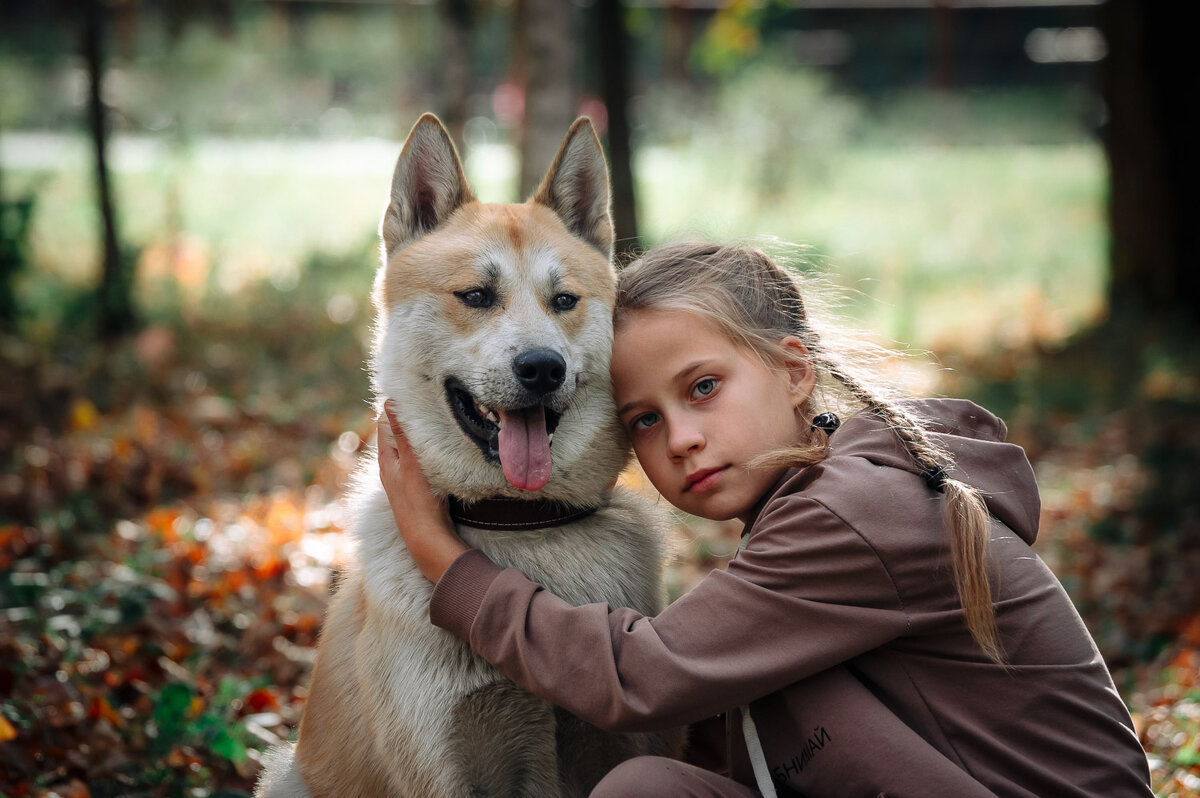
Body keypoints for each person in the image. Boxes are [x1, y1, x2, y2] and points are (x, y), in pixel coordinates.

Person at [377, 241, 1154, 797]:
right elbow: (738, 731)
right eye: (643, 419)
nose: (680, 437)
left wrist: (442, 557)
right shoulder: (823, 508)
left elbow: (643, 676)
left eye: (703, 388)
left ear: (794, 372)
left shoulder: (859, 512)